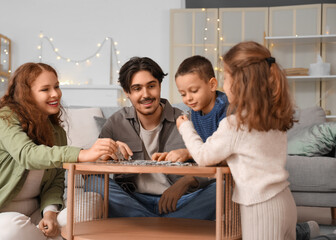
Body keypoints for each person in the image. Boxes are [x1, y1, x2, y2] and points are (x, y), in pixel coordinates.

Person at [0, 62, 117, 240]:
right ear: (26, 95)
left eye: (56, 87)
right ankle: (52, 236)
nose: (55, 94)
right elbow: (28, 155)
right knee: (8, 230)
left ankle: (45, 233)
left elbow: (55, 182)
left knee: (94, 200)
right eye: (45, 89)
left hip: (36, 215)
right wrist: (82, 154)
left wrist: (50, 214)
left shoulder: (57, 132)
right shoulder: (6, 117)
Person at [176, 41, 297, 239]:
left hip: (260, 206)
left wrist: (185, 127)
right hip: (284, 200)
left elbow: (204, 156)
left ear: (240, 83)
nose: (224, 84)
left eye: (226, 77)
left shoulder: (236, 124)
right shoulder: (272, 117)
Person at [86, 56, 216, 220]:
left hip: (180, 200)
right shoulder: (115, 123)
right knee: (93, 182)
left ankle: (145, 224)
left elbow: (214, 163)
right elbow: (88, 171)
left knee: (223, 188)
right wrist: (106, 153)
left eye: (151, 86)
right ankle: (164, 226)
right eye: (137, 88)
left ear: (160, 86)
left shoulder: (187, 120)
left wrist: (189, 180)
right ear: (127, 93)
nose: (146, 94)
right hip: (133, 200)